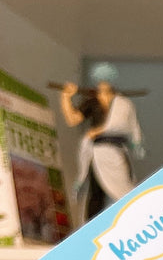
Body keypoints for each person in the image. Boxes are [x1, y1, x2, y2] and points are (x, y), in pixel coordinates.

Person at [59, 62, 143, 221]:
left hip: (116, 152)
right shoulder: (92, 101)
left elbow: (130, 125)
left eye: (106, 80)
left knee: (123, 188)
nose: (103, 84)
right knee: (96, 191)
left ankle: (129, 219)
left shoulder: (123, 103)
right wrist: (66, 97)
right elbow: (72, 119)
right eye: (100, 80)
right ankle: (92, 226)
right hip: (97, 152)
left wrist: (136, 143)